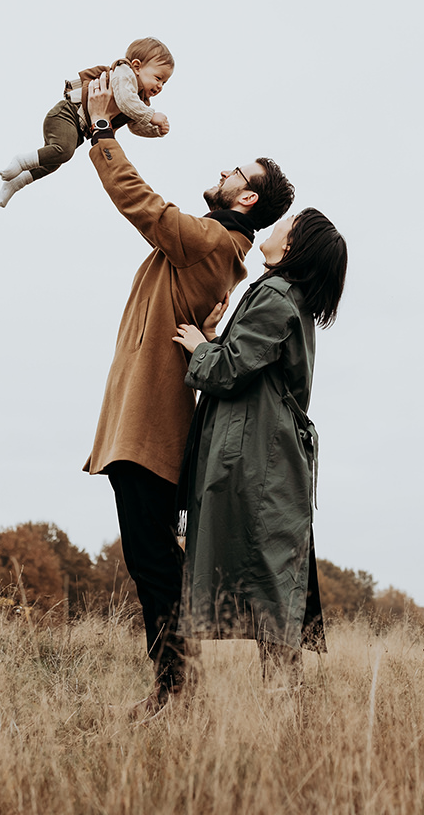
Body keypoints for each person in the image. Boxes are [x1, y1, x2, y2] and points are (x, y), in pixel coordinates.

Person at [82, 71, 295, 716]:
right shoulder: (207, 247)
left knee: (151, 561)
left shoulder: (210, 243)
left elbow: (142, 204)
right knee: (149, 558)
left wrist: (100, 133)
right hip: (138, 424)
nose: (226, 172)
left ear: (249, 200)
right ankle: (177, 683)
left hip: (151, 430)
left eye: (238, 172)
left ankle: (176, 687)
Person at [171, 207, 348, 689]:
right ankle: (282, 700)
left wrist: (198, 345)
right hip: (277, 454)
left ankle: (280, 701)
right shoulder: (292, 299)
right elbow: (250, 363)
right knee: (276, 576)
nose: (272, 230)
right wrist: (214, 338)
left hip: (262, 458)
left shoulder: (275, 294)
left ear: (290, 248)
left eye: (282, 228)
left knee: (270, 578)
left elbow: (227, 371)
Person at [0, 37, 174, 208]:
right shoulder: (124, 73)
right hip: (68, 113)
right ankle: (20, 161)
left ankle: (16, 183)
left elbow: (135, 125)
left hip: (77, 129)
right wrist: (151, 115)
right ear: (136, 66)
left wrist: (155, 130)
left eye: (165, 83)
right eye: (158, 78)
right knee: (64, 151)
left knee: (54, 162)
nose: (160, 86)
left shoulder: (139, 102)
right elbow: (125, 100)